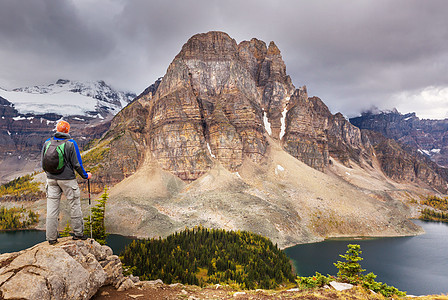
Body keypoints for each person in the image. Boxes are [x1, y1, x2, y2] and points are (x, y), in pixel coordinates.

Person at [42, 120, 92, 245]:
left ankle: (51, 238)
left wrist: (50, 175)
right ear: (67, 130)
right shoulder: (71, 143)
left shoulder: (47, 142)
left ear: (57, 130)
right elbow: (77, 164)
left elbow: (43, 162)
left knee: (52, 208)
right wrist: (86, 176)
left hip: (51, 180)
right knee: (74, 205)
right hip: (68, 180)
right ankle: (78, 234)